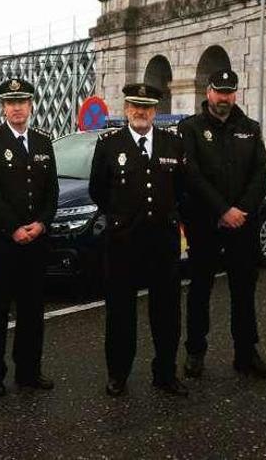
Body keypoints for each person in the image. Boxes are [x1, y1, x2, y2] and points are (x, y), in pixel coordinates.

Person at [89, 83, 188, 397]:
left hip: (163, 241)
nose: (141, 112)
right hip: (123, 241)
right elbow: (98, 190)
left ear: (155, 111)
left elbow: (182, 188)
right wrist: (121, 216)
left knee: (167, 311)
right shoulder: (109, 144)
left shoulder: (173, 144)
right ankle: (118, 374)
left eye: (146, 107)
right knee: (120, 312)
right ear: (126, 109)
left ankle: (165, 373)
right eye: (134, 106)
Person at [179, 69, 266, 378]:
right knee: (200, 290)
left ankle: (246, 354)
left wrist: (241, 210)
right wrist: (223, 210)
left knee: (244, 291)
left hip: (242, 224)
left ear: (236, 93)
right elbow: (191, 176)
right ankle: (195, 352)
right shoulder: (190, 129)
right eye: (219, 91)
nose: (224, 98)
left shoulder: (250, 128)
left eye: (229, 92)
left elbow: (260, 174)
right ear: (208, 92)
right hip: (205, 223)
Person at [0, 78, 59, 396]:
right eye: (11, 103)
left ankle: (29, 371)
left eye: (22, 102)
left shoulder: (42, 141)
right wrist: (14, 228)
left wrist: (41, 223)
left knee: (32, 309)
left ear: (31, 105)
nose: (17, 107)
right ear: (3, 107)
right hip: (1, 239)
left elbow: (51, 190)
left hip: (36, 239)